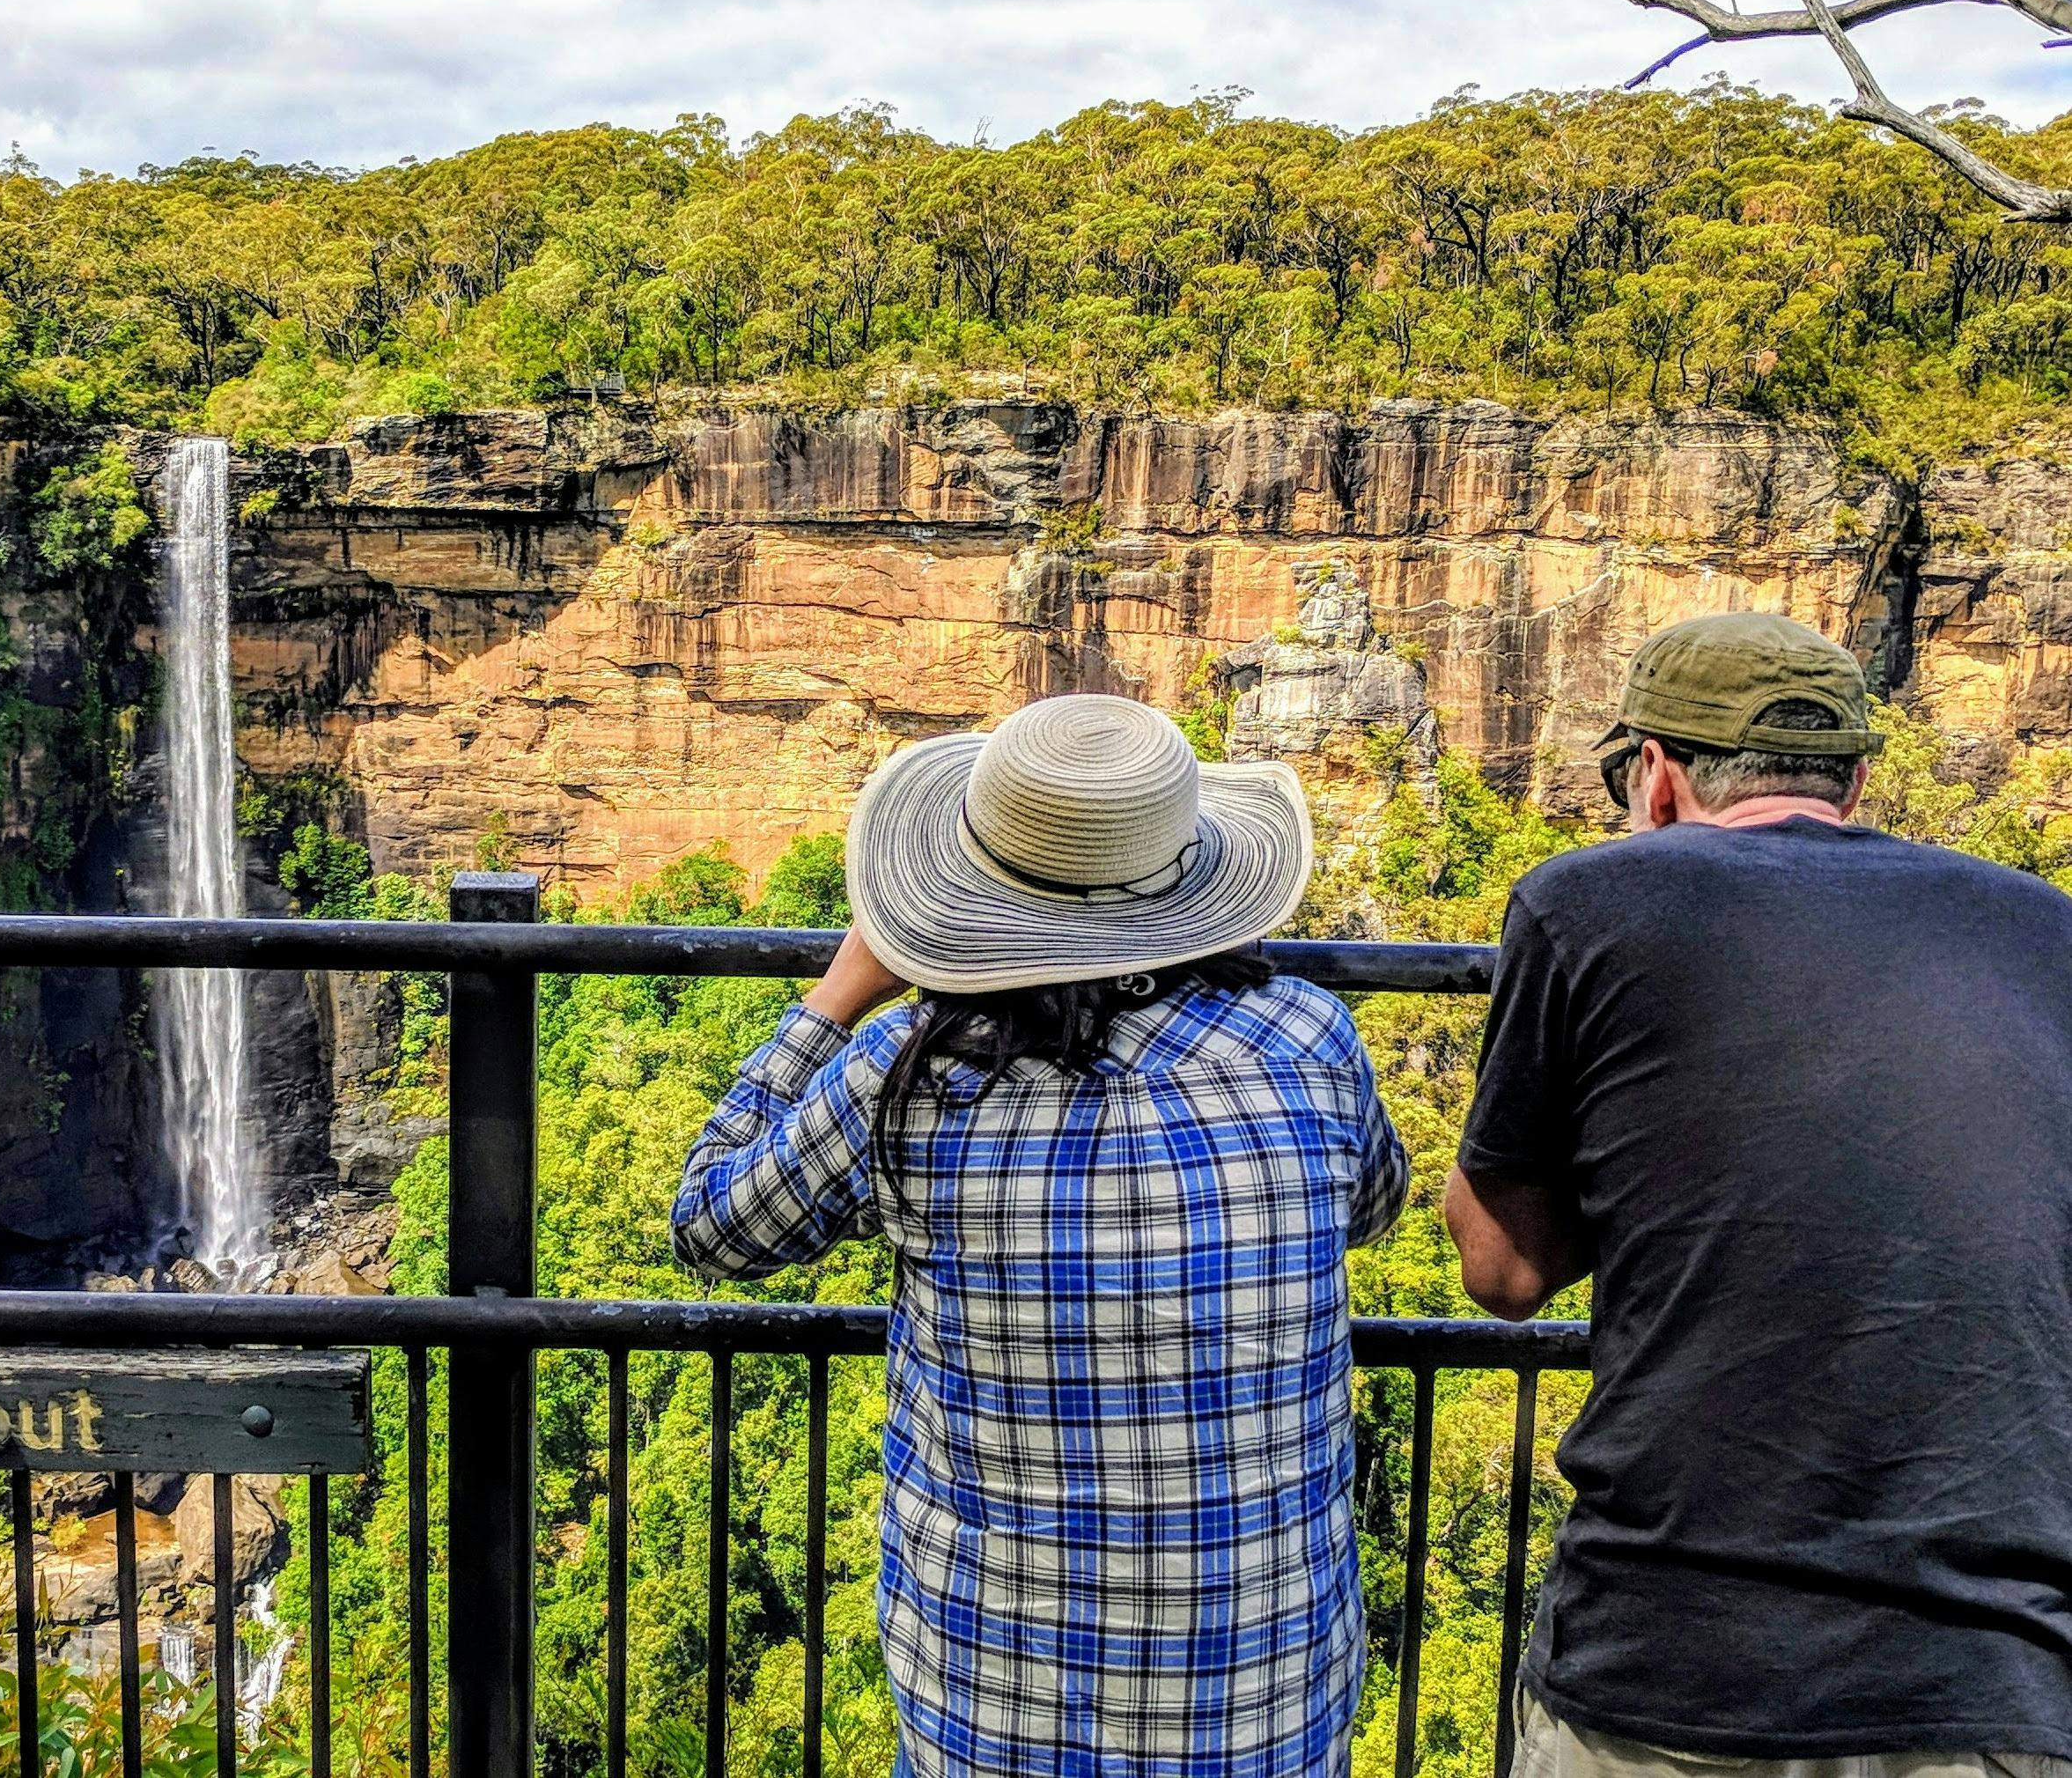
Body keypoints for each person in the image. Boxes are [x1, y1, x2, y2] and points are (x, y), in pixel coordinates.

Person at [673, 692, 1411, 1776]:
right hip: (1264, 1704)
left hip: (990, 1703)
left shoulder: (909, 1076)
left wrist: (835, 998)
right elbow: (1372, 1209)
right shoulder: (1306, 1037)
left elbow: (710, 1226)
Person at [1450, 611, 2072, 1776]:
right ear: (1857, 780)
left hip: (1674, 1666)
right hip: (1994, 1674)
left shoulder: (1585, 900)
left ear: (1654, 775)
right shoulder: (2045, 923)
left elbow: (1502, 1273)